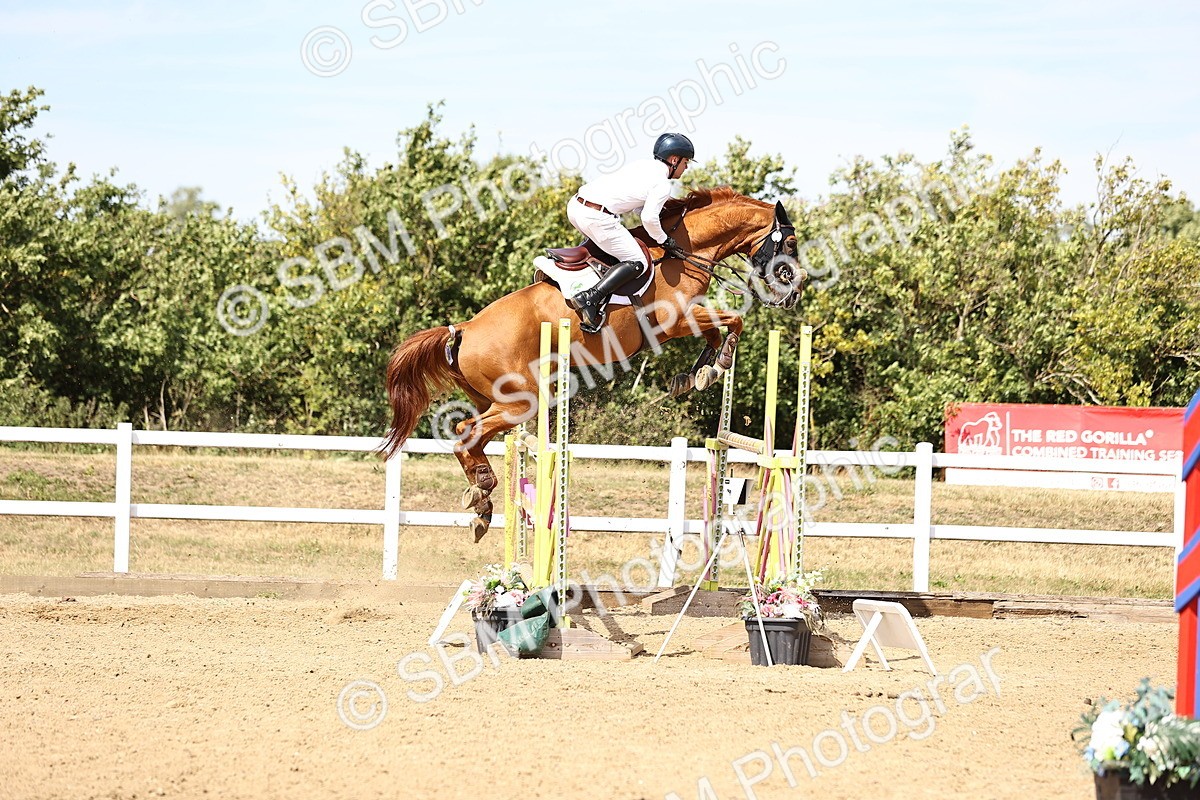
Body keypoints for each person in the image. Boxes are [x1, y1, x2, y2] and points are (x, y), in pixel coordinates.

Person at [565, 132, 695, 333]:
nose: (686, 167)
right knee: (639, 262)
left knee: (612, 251)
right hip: (596, 217)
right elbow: (648, 219)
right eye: (686, 162)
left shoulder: (642, 166)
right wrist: (665, 240)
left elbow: (635, 205)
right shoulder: (662, 184)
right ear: (674, 159)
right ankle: (590, 298)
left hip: (576, 206)